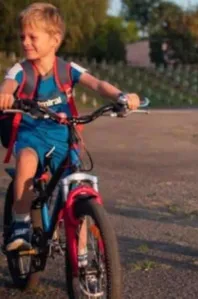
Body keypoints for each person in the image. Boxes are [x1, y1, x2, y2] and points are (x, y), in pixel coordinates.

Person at [0, 2, 140, 254]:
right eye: (22, 37)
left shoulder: (67, 69)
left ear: (55, 39)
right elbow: (8, 84)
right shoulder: (20, 69)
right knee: (26, 164)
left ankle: (83, 257)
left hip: (64, 138)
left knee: (76, 194)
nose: (25, 42)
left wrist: (121, 96)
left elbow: (97, 84)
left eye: (33, 36)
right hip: (31, 135)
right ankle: (20, 226)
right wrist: (5, 96)